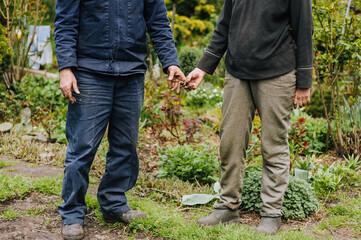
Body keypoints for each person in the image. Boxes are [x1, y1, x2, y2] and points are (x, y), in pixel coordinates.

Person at [54, 1, 185, 239]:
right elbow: (65, 22)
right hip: (89, 71)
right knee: (82, 147)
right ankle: (72, 213)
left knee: (125, 146)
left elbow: (158, 21)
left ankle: (113, 204)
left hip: (131, 72)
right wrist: (66, 67)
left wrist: (170, 61)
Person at [185, 0, 313, 235]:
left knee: (273, 144)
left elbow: (304, 29)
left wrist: (304, 81)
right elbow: (224, 25)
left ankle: (271, 213)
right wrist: (203, 67)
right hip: (237, 72)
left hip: (277, 72)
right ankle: (227, 207)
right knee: (230, 141)